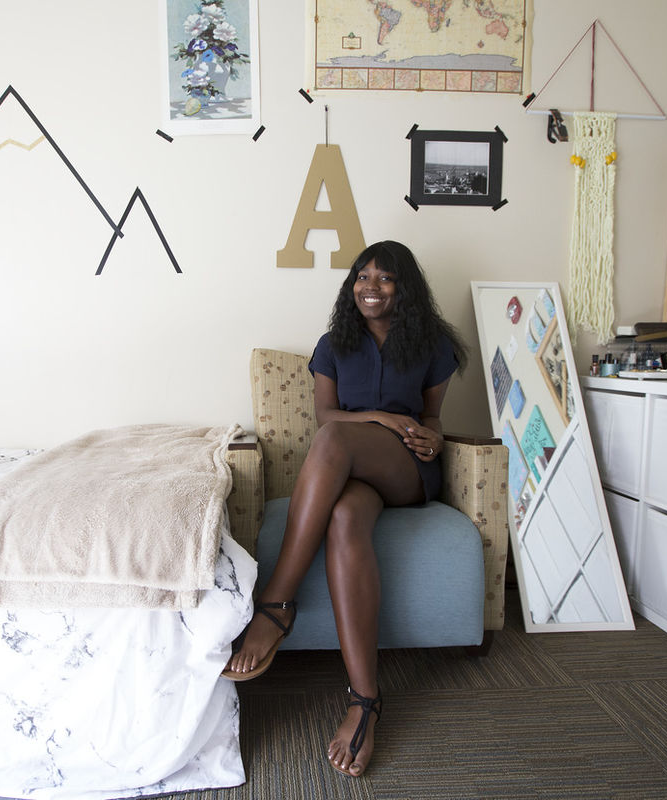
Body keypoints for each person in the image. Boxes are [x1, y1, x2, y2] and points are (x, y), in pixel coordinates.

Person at [222, 240, 468, 778]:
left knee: (333, 442)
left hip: (405, 470)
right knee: (343, 515)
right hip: (355, 469)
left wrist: (432, 439)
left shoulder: (432, 345)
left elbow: (433, 419)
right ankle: (365, 701)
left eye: (384, 278)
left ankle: (276, 603)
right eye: (361, 276)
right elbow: (325, 412)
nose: (370, 287)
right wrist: (381, 417)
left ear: (405, 288)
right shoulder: (335, 343)